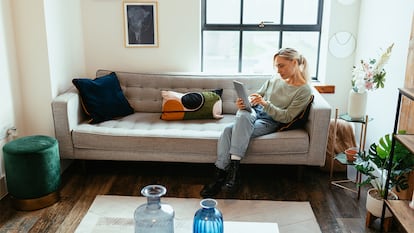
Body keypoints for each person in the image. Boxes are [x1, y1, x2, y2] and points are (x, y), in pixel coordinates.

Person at [200, 48, 313, 197]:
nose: (278, 70)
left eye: (281, 65)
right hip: (253, 112)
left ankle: (221, 175)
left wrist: (265, 104)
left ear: (294, 62)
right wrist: (246, 101)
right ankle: (233, 174)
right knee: (243, 115)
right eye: (276, 66)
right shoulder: (274, 79)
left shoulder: (304, 90)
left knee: (228, 130)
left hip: (270, 121)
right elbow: (257, 95)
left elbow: (286, 117)